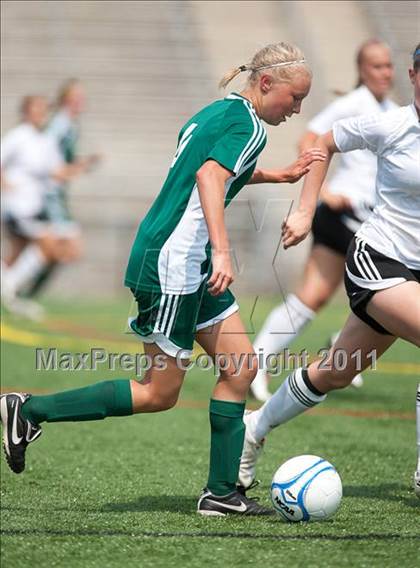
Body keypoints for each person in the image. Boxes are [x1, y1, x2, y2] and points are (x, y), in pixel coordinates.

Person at [0, 42, 326, 516]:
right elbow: (210, 180)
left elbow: (209, 168)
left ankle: (220, 493)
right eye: (294, 98)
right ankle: (27, 411)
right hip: (176, 262)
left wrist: (278, 176)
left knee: (240, 368)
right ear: (266, 83)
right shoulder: (249, 125)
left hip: (179, 257)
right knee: (158, 392)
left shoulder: (216, 113)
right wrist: (221, 249)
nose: (297, 110)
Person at [239, 43, 420, 498]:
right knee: (311, 299)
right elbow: (320, 142)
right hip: (379, 260)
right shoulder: (392, 123)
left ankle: (254, 427)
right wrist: (305, 209)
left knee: (336, 371)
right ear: (414, 76)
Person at [250, 39, 397, 402]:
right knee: (312, 297)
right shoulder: (353, 104)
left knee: (377, 302)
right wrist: (324, 192)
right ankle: (256, 366)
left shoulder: (395, 110)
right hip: (343, 216)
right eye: (377, 66)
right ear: (362, 69)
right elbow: (311, 139)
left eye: (389, 65)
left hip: (375, 222)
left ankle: (340, 346)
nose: (385, 73)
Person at [1, 95, 88, 317]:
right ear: (26, 112)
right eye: (36, 109)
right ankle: (10, 289)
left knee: (18, 253)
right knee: (49, 244)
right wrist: (6, 185)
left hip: (35, 208)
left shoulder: (45, 141)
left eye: (43, 109)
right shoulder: (18, 136)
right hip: (17, 208)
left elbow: (56, 172)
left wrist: (78, 167)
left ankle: (12, 292)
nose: (41, 114)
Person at [24, 79, 100, 298]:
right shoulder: (61, 125)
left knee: (59, 251)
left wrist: (81, 164)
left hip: (56, 194)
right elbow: (46, 157)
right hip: (49, 195)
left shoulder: (69, 125)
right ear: (66, 100)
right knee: (69, 249)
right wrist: (73, 168)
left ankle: (22, 292)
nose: (81, 102)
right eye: (77, 98)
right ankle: (13, 284)